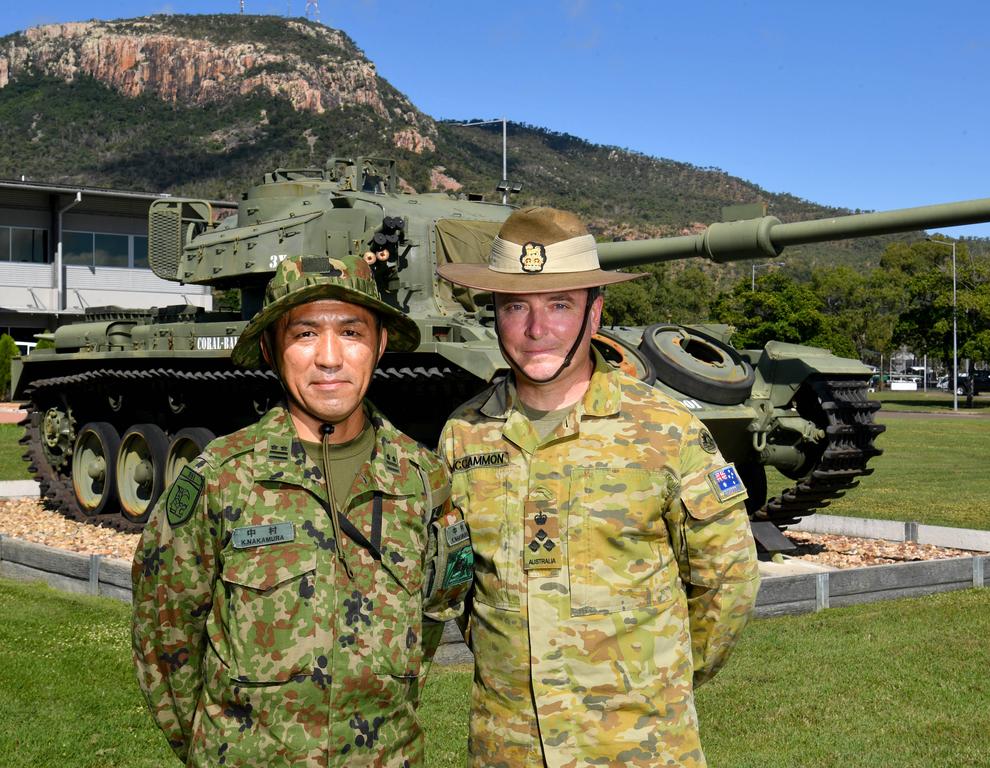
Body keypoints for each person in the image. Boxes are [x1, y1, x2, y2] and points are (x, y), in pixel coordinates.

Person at [435, 207, 760, 768]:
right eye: (516, 306)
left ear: (594, 313)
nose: (537, 329)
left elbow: (726, 581)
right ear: (495, 315)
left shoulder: (664, 430)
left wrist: (653, 680)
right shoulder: (463, 436)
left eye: (559, 305)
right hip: (509, 747)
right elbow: (462, 589)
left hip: (637, 747)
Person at [132, 254, 473, 767]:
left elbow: (429, 621)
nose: (330, 358)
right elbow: (164, 637)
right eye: (305, 333)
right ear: (271, 349)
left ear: (379, 344)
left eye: (352, 332)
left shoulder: (422, 479)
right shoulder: (220, 478)